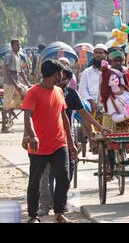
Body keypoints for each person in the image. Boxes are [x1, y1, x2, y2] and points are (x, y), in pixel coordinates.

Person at [37, 67, 111, 216]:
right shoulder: (41, 91)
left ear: (67, 80)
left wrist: (99, 127)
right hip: (44, 136)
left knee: (66, 173)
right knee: (45, 174)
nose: (59, 80)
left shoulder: (70, 94)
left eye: (63, 78)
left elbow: (84, 114)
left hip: (65, 135)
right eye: (58, 76)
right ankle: (45, 205)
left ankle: (58, 203)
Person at [22, 59, 78, 223]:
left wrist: (71, 142)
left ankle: (59, 213)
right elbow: (28, 116)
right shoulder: (33, 92)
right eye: (61, 73)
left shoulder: (59, 91)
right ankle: (33, 216)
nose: (63, 76)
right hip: (38, 145)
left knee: (64, 177)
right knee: (35, 182)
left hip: (59, 143)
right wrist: (32, 136)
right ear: (55, 74)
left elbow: (64, 117)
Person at [2, 39, 30, 133]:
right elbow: (8, 71)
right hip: (9, 83)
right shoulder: (9, 55)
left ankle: (11, 109)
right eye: (17, 45)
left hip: (17, 81)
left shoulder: (17, 55)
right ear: (12, 46)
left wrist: (27, 83)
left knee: (27, 92)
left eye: (19, 45)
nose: (19, 46)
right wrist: (16, 85)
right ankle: (4, 127)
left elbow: (20, 72)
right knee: (6, 104)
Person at [78, 43, 108, 114]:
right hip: (90, 102)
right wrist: (91, 101)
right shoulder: (87, 72)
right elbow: (82, 90)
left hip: (108, 102)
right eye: (96, 53)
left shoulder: (110, 71)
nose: (98, 55)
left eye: (100, 53)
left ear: (106, 55)